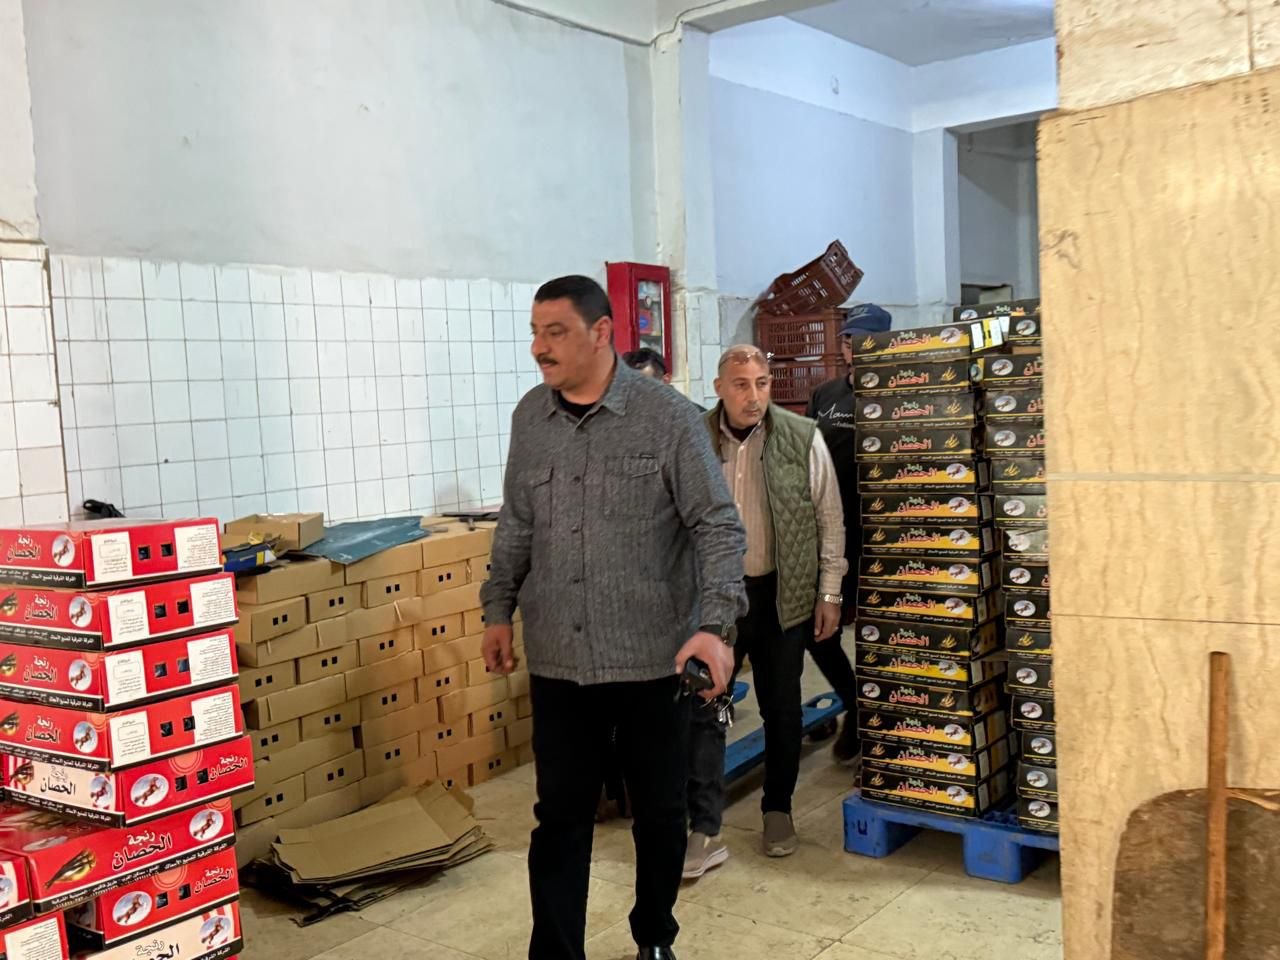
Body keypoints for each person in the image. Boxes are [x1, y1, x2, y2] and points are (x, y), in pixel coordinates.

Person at [480, 275, 748, 960]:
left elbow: (717, 525)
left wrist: (716, 627)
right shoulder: (530, 419)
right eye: (535, 333)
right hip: (559, 659)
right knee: (559, 817)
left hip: (652, 657)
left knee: (658, 811)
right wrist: (498, 608)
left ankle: (654, 936)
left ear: (601, 333)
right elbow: (517, 524)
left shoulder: (668, 419)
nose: (539, 348)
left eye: (556, 332)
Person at [684, 344, 847, 877]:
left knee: (782, 708)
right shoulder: (693, 441)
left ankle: (778, 808)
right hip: (716, 600)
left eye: (762, 383)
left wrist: (829, 592)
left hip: (781, 595)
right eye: (740, 384)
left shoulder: (801, 437)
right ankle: (704, 826)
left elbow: (829, 518)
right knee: (707, 709)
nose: (753, 395)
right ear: (719, 389)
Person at [805, 304, 893, 765]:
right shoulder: (826, 394)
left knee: (877, 634)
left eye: (863, 340)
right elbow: (807, 456)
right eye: (847, 340)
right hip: (831, 534)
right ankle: (855, 703)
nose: (853, 348)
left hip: (881, 533)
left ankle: (878, 718)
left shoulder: (900, 395)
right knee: (818, 629)